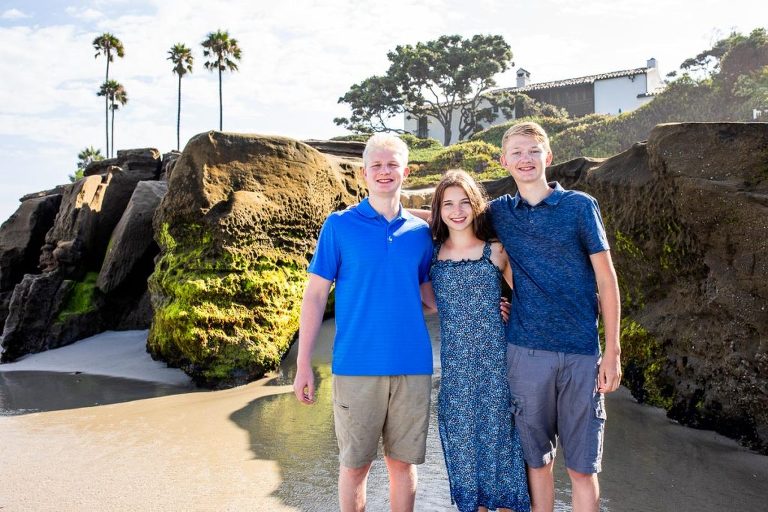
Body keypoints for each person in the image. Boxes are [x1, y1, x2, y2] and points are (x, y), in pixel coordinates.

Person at [292, 133, 434, 512]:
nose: (385, 172)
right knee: (355, 467)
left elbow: (431, 297)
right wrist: (303, 364)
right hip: (356, 367)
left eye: (392, 165)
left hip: (412, 367)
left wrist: (488, 306)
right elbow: (316, 296)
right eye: (377, 165)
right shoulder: (339, 226)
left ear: (405, 171)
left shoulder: (421, 235)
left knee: (402, 466)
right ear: (364, 173)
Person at [491, 121, 622, 512]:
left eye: (533, 151)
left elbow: (606, 278)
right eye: (516, 153)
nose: (525, 159)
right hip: (525, 354)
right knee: (537, 463)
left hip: (582, 354)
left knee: (582, 469)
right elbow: (451, 215)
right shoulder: (499, 213)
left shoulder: (580, 207)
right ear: (505, 162)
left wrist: (612, 351)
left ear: (548, 157)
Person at [428, 170, 531, 512]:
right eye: (448, 204)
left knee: (502, 449)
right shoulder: (431, 254)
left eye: (464, 203)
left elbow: (531, 300)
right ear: (438, 210)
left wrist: (511, 310)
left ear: (476, 206)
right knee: (463, 452)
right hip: (455, 373)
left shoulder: (496, 251)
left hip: (497, 367)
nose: (457, 211)